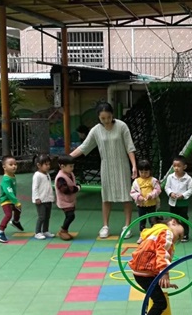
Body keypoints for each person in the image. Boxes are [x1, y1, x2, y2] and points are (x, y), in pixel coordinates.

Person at [70, 101, 137, 240]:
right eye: (103, 118)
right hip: (106, 167)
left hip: (122, 165)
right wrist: (67, 158)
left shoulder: (122, 126)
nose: (106, 120)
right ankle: (105, 226)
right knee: (106, 197)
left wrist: (134, 166)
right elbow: (84, 147)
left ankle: (127, 226)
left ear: (112, 115)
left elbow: (129, 147)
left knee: (126, 196)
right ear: (99, 118)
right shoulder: (96, 130)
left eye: (108, 117)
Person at [128, 217, 184, 315]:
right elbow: (162, 253)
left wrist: (163, 279)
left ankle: (145, 314)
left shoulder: (156, 231)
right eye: (180, 234)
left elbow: (153, 253)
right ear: (174, 222)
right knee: (160, 302)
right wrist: (164, 273)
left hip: (143, 271)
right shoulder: (166, 232)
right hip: (145, 272)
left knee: (155, 295)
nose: (179, 239)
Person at [164, 154, 192, 242]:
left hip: (183, 203)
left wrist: (183, 195)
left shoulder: (188, 179)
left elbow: (191, 189)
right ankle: (174, 234)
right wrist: (170, 193)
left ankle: (185, 234)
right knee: (173, 219)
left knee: (184, 219)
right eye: (174, 166)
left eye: (179, 166)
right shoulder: (170, 177)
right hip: (173, 202)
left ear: (184, 167)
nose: (176, 168)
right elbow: (167, 187)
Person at [130, 158, 161, 241]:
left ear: (150, 171)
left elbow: (158, 189)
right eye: (141, 172)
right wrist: (138, 197)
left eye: (146, 172)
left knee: (152, 220)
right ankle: (142, 235)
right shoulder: (136, 181)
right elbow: (132, 192)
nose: (143, 174)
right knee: (142, 220)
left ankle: (153, 235)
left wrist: (151, 195)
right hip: (141, 205)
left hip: (152, 204)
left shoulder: (153, 180)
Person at [0, 156, 23, 244]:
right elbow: (8, 192)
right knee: (8, 214)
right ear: (4, 167)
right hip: (6, 200)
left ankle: (15, 221)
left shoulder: (12, 176)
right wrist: (16, 201)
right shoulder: (6, 179)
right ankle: (0, 231)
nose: (14, 166)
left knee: (18, 209)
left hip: (11, 199)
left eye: (15, 164)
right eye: (11, 164)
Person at [55, 155, 80, 241]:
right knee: (70, 216)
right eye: (70, 166)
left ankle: (64, 230)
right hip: (64, 201)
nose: (72, 168)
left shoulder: (69, 173)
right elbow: (65, 189)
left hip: (70, 200)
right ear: (62, 166)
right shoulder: (60, 177)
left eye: (73, 166)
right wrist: (77, 188)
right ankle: (63, 230)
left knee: (70, 215)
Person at [32, 153, 55, 240]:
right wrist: (36, 198)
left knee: (47, 216)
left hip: (47, 199)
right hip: (41, 200)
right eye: (46, 164)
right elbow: (35, 187)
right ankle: (37, 232)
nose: (48, 166)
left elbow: (48, 187)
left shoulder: (47, 174)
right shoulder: (37, 175)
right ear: (38, 165)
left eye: (49, 164)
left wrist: (52, 197)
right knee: (41, 216)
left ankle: (45, 230)